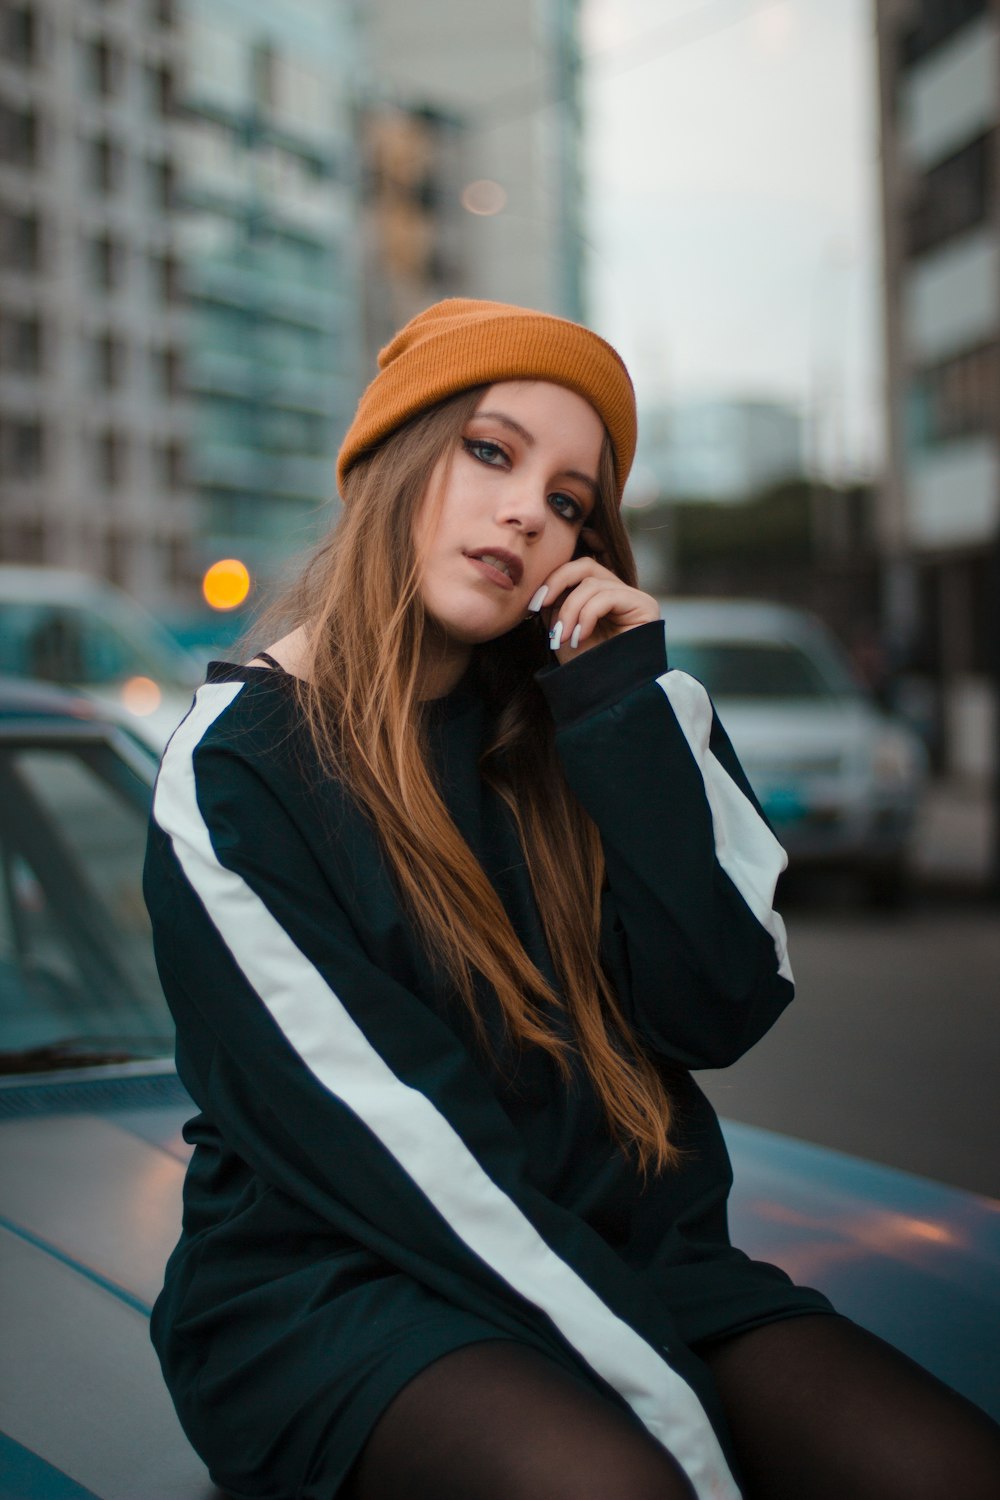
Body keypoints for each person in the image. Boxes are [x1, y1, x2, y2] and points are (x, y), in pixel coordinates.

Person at [144, 299, 1000, 1500]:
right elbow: (403, 1148)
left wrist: (622, 721)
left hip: (628, 1251)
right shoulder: (237, 767)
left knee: (943, 1470)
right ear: (390, 460)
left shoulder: (606, 718)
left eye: (569, 502)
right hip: (342, 1282)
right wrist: (687, 1438)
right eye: (489, 451)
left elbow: (722, 1007)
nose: (526, 514)